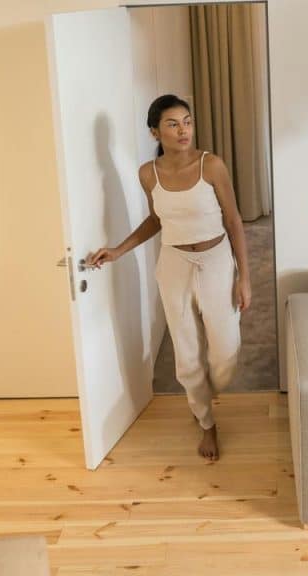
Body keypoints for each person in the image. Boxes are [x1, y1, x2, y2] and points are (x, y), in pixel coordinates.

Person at [85, 94, 251, 461]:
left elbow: (235, 220)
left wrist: (245, 278)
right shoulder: (148, 173)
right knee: (187, 354)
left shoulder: (212, 166)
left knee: (225, 353)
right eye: (173, 124)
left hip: (217, 260)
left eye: (187, 121)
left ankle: (209, 390)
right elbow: (157, 220)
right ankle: (206, 422)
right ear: (155, 131)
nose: (183, 130)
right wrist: (118, 250)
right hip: (174, 264)